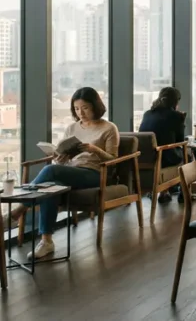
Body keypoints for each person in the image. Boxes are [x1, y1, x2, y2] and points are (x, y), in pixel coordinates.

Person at [8, 87, 119, 258]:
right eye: (76, 109)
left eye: (85, 108)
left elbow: (112, 160)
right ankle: (46, 241)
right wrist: (60, 158)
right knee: (52, 186)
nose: (80, 112)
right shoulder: (72, 128)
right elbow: (64, 156)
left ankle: (17, 211)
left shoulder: (109, 128)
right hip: (71, 171)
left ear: (95, 106)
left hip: (95, 173)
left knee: (50, 171)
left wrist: (94, 149)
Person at [138, 87, 187, 203]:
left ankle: (165, 192)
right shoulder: (175, 115)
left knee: (170, 151)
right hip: (164, 158)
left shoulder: (147, 114)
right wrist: (182, 121)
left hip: (145, 158)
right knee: (188, 154)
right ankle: (184, 193)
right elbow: (180, 141)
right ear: (176, 102)